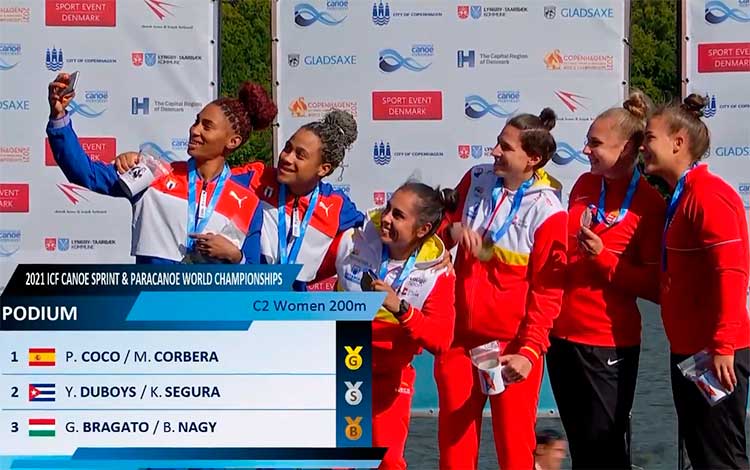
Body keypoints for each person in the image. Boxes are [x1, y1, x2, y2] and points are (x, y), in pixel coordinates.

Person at [434, 108, 568, 469]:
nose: (494, 151)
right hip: (459, 341)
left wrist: (530, 351)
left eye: (505, 147)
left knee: (514, 452)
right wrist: (453, 233)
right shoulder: (476, 178)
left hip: (511, 347)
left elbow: (548, 292)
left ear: (532, 159)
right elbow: (440, 227)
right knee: (454, 449)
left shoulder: (548, 210)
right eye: (497, 142)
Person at [547, 91, 665, 469]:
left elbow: (656, 287)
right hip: (561, 338)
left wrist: (605, 260)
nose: (585, 150)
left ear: (627, 147)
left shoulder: (649, 204)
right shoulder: (584, 184)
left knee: (607, 451)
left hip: (607, 342)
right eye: (587, 141)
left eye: (595, 143)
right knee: (582, 449)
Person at [115, 109, 364, 288]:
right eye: (287, 148)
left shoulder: (338, 206)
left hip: (291, 312)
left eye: (300, 155)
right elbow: (207, 178)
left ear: (324, 169)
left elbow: (372, 239)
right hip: (248, 300)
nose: (286, 158)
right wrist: (142, 164)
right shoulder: (255, 178)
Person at [47, 73, 277, 264]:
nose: (194, 130)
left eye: (206, 126)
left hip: (208, 314)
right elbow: (85, 173)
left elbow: (254, 278)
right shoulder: (154, 174)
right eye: (196, 121)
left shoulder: (247, 202)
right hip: (151, 311)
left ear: (232, 141)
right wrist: (58, 116)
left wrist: (236, 257)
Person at [642, 94, 750, 469]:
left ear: (678, 142)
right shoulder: (683, 194)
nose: (643, 146)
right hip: (690, 353)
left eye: (649, 138)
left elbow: (733, 273)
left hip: (715, 354)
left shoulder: (707, 195)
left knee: (721, 459)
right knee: (704, 457)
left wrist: (723, 345)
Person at [332, 182, 457, 469]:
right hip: (341, 368)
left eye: (398, 215)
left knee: (388, 461)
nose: (386, 218)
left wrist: (400, 309)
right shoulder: (356, 238)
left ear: (422, 230)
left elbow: (440, 340)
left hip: (390, 378)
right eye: (388, 208)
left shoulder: (436, 272)